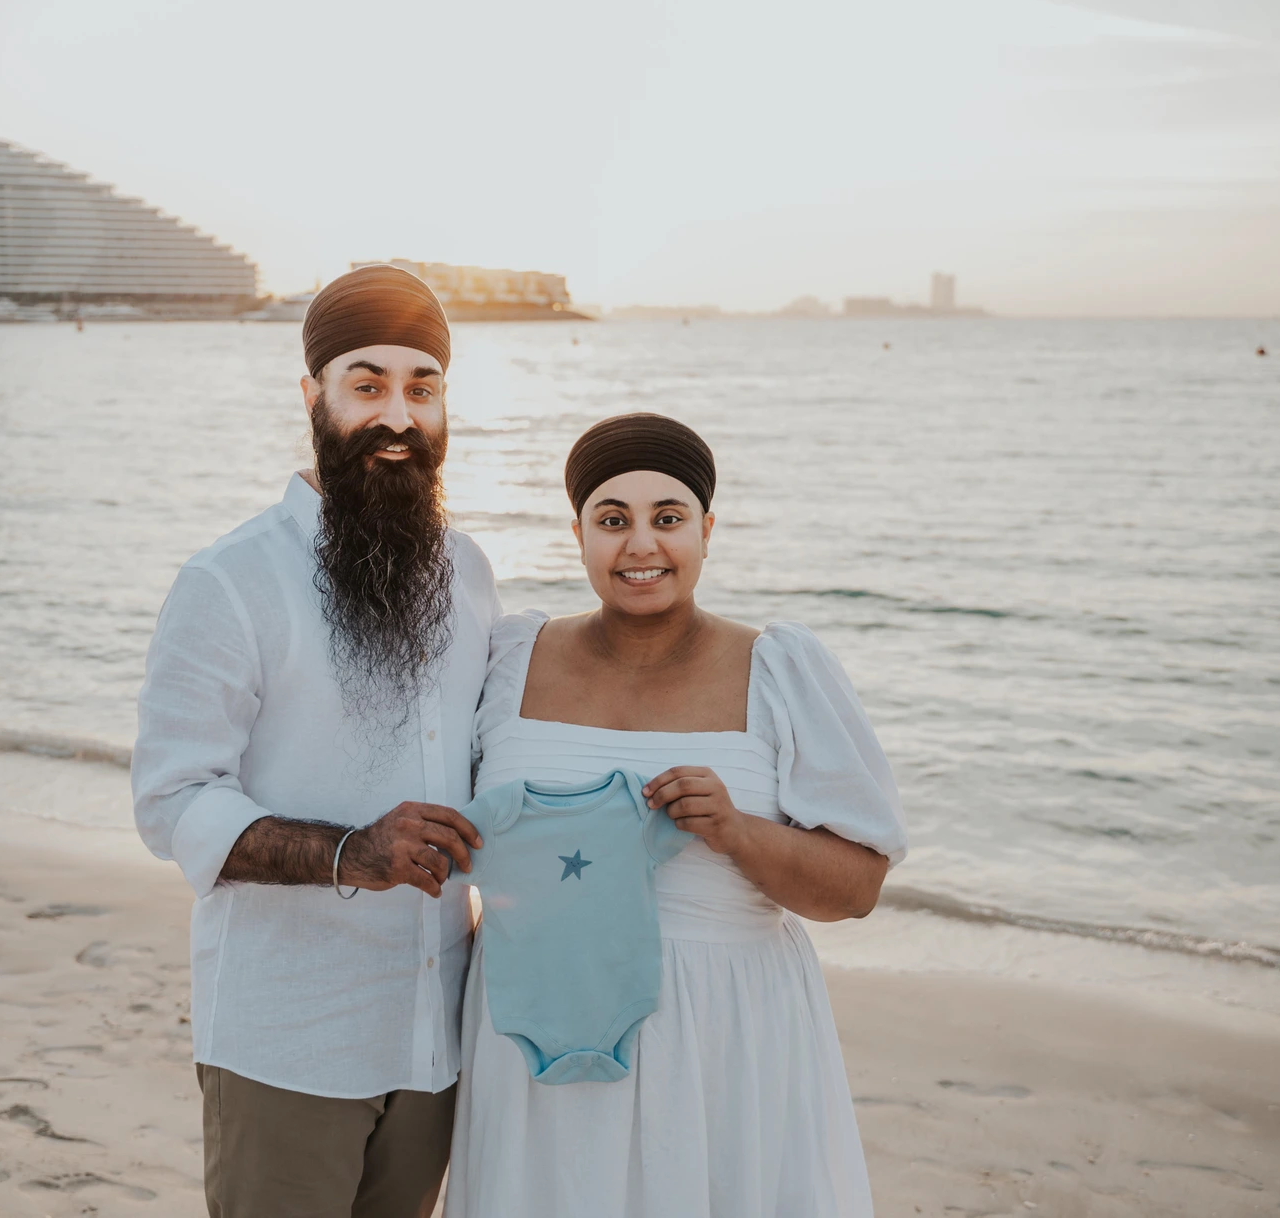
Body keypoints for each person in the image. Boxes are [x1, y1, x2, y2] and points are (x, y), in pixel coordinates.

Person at [446, 412, 908, 1218]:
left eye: (668, 518)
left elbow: (856, 888)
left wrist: (735, 830)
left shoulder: (779, 670)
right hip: (533, 1021)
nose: (641, 546)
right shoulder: (512, 657)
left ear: (707, 529)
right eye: (612, 520)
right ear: (579, 532)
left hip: (722, 1028)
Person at [132, 264, 497, 1218]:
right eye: (367, 384)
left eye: (423, 387)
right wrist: (352, 853)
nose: (399, 416)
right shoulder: (230, 581)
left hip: (436, 1040)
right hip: (290, 1038)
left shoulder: (470, 573)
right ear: (313, 396)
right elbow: (173, 803)